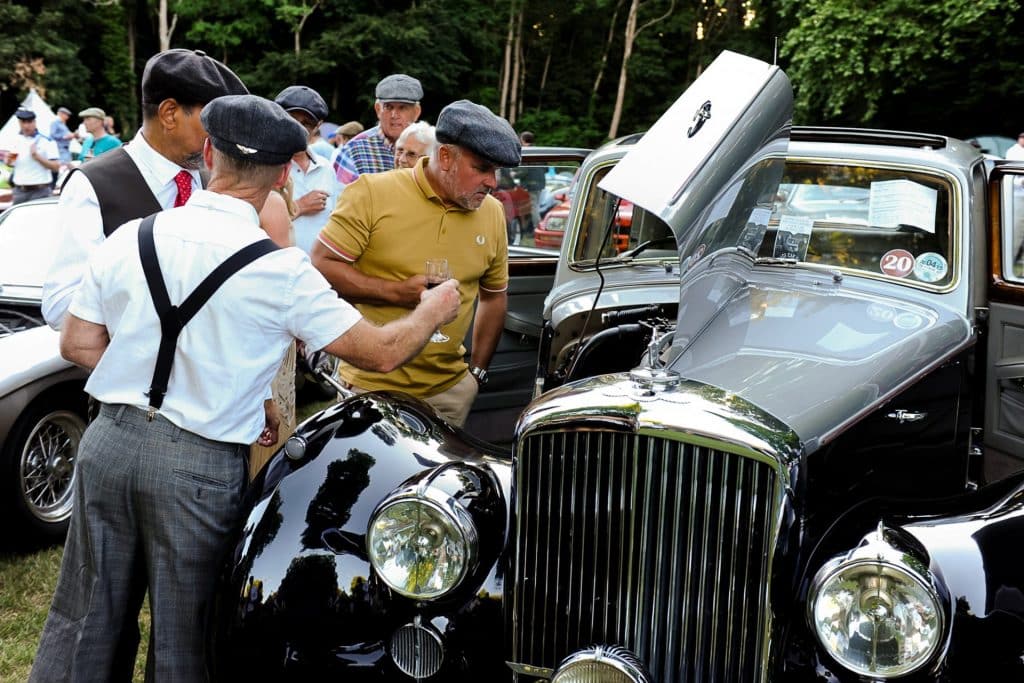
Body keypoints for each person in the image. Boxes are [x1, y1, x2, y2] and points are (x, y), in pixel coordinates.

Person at [31, 93, 460, 682]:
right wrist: (433, 310)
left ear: (208, 153)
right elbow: (381, 353)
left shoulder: (133, 235)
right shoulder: (282, 270)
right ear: (283, 175)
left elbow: (77, 343)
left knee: (85, 617)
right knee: (188, 636)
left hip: (107, 443)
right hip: (197, 464)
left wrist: (149, 383)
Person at [313, 99, 521, 426]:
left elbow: (494, 297)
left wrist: (476, 374)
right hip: (371, 388)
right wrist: (397, 293)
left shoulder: (492, 212)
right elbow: (321, 267)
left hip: (449, 393)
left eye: (497, 171)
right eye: (482, 168)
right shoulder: (372, 193)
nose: (492, 182)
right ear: (446, 156)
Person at [42, 48, 249, 331]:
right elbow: (59, 305)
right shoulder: (92, 185)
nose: (221, 137)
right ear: (170, 114)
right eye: (214, 122)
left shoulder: (214, 180)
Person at [274, 85, 342, 254]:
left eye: (306, 123)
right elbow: (254, 222)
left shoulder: (326, 168)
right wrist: (301, 206)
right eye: (292, 120)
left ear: (318, 126)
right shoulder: (266, 165)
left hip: (318, 272)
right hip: (279, 268)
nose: (298, 129)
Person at [331, 73, 422, 184]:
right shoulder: (354, 151)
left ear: (417, 112)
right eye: (388, 107)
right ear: (378, 109)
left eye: (402, 108)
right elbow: (339, 199)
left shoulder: (430, 148)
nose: (394, 115)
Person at [5, 107, 59, 204]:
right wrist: (8, 161)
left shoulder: (47, 141)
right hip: (19, 191)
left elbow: (56, 167)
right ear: (19, 123)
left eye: (29, 122)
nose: (26, 126)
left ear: (35, 122)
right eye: (23, 122)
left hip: (40, 191)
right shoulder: (15, 140)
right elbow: (11, 164)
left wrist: (37, 157)